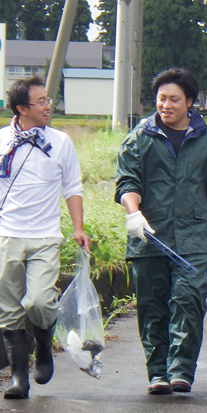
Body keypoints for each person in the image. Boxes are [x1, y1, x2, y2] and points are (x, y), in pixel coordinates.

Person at [115, 68, 207, 395]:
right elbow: (127, 182)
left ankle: (181, 370)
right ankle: (157, 372)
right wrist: (133, 213)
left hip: (193, 235)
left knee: (189, 299)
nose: (166, 105)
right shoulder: (139, 138)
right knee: (152, 305)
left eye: (174, 99)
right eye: (162, 99)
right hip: (149, 236)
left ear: (190, 102)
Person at [0, 76, 91, 399]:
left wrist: (78, 227)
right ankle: (19, 378)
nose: (48, 106)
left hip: (45, 236)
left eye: (48, 99)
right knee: (8, 307)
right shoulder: (2, 141)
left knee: (39, 301)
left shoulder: (60, 142)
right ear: (22, 108)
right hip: (6, 235)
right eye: (41, 102)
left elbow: (72, 187)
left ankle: (43, 346)